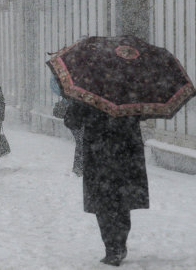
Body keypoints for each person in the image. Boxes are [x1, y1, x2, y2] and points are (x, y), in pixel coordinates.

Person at [64, 100, 149, 267]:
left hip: (99, 155)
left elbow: (71, 121)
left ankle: (113, 247)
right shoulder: (129, 90)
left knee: (103, 203)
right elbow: (143, 113)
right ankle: (119, 244)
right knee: (121, 201)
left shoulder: (88, 92)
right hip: (126, 154)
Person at [51, 75, 84, 176]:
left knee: (82, 140)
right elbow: (55, 85)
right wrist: (68, 91)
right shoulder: (67, 68)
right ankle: (79, 167)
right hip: (74, 110)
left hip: (85, 109)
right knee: (81, 139)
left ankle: (79, 167)